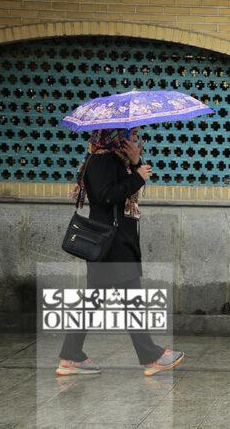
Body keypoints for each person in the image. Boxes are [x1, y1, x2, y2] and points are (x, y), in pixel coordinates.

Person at [57, 128, 185, 376]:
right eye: (130, 134)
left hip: (115, 242)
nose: (134, 138)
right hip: (112, 244)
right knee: (131, 301)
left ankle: (70, 356)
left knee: (94, 301)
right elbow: (105, 196)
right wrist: (137, 176)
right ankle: (151, 356)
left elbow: (123, 187)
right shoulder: (101, 160)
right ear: (114, 134)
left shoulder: (115, 159)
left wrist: (136, 162)